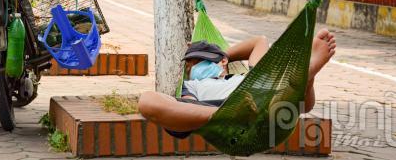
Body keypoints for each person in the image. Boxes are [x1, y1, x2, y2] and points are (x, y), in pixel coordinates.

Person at [138, 29, 336, 134]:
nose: (192, 69)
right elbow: (187, 106)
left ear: (222, 62)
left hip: (258, 99)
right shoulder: (191, 85)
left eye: (199, 62)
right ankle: (231, 113)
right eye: (189, 66)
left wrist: (224, 57)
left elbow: (259, 41)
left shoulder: (245, 76)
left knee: (295, 100)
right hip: (215, 110)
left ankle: (307, 76)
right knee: (147, 100)